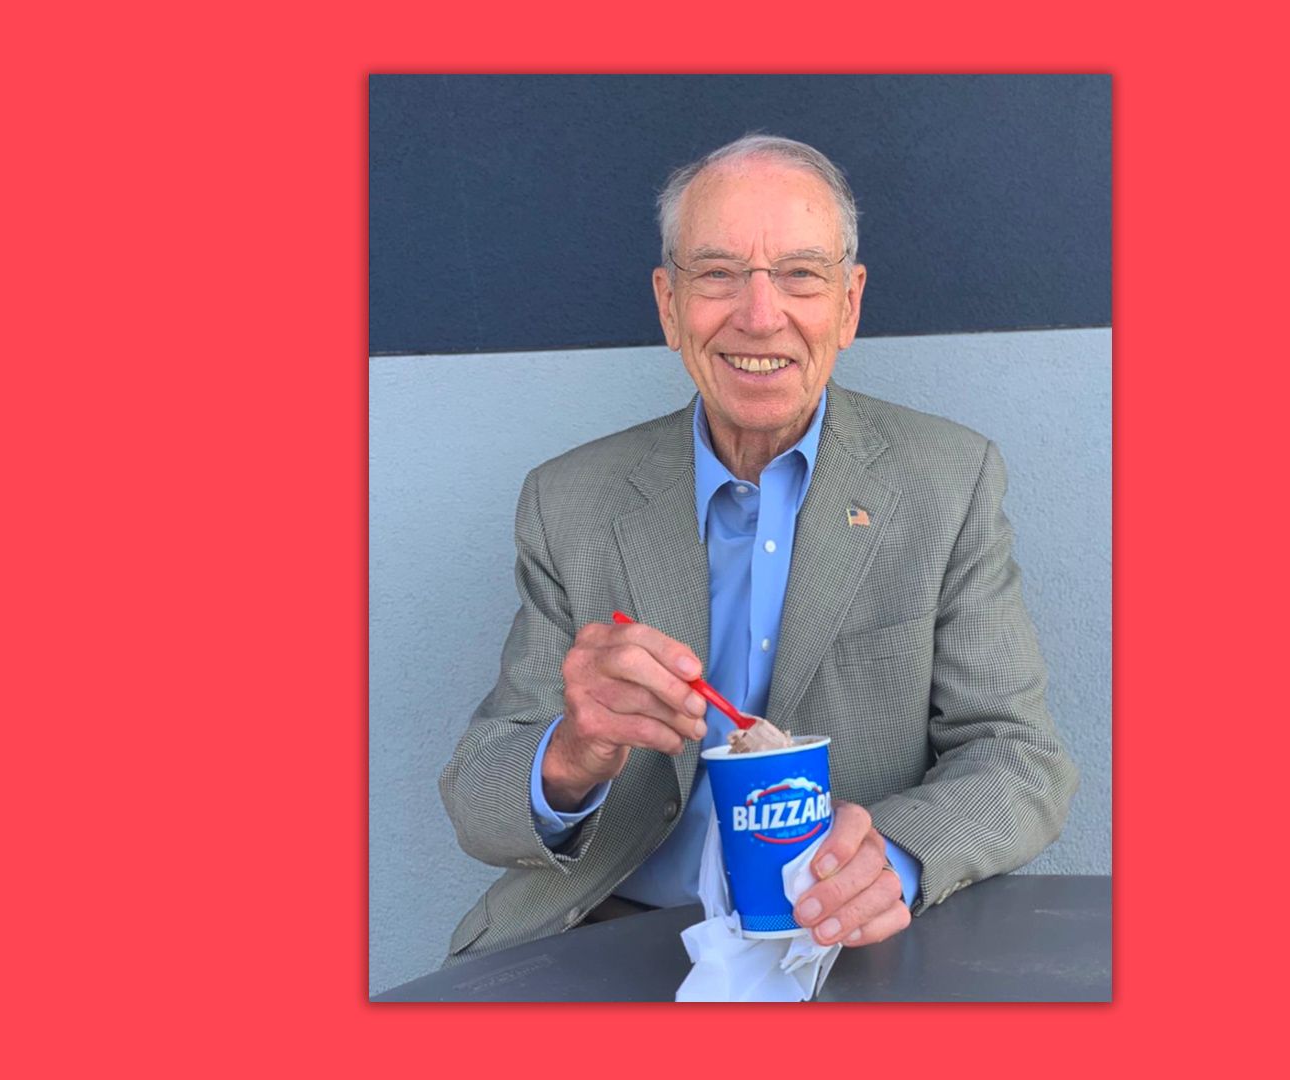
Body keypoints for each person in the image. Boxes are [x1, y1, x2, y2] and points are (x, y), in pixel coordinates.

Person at [439, 134, 1078, 964]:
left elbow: (1017, 754)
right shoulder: (570, 502)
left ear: (848, 305)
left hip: (839, 947)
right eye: (717, 274)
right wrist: (572, 752)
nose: (759, 314)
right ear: (669, 306)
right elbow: (478, 805)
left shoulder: (947, 483)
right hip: (607, 930)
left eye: (801, 275)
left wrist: (896, 860)